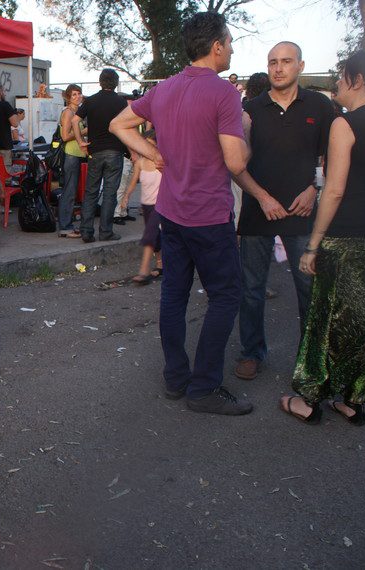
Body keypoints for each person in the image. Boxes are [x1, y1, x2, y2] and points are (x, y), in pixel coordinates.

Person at [110, 11, 253, 415]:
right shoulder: (225, 94)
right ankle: (204, 387)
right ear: (217, 46)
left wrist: (154, 154)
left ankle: (177, 378)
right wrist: (243, 131)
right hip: (208, 215)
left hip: (171, 214)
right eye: (230, 41)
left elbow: (120, 124)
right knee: (226, 296)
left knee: (174, 295)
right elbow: (236, 163)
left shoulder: (165, 89)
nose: (232, 48)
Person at [281, 49, 365, 425]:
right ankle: (354, 400)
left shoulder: (345, 124)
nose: (337, 83)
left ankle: (309, 398)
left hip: (345, 239)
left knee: (324, 321)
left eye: (342, 76)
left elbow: (334, 190)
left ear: (357, 79)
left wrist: (313, 244)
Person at [233, 42, 334, 381]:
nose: (278, 68)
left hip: (301, 212)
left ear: (300, 66)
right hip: (258, 212)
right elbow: (236, 165)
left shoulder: (320, 106)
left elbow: (330, 158)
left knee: (309, 290)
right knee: (250, 289)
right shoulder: (250, 110)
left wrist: (314, 189)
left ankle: (310, 358)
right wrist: (262, 197)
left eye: (286, 62)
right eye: (272, 62)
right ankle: (251, 352)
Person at [73, 69, 127, 243]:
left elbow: (75, 120)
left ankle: (86, 232)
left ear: (100, 82)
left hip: (94, 151)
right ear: (116, 83)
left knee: (91, 192)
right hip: (115, 151)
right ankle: (106, 232)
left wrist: (81, 141)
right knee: (110, 193)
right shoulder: (121, 102)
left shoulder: (91, 101)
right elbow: (128, 126)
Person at [120, 130, 163, 284]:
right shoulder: (140, 162)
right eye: (145, 145)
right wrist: (126, 197)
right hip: (146, 205)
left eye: (150, 146)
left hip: (160, 205)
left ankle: (144, 271)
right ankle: (161, 264)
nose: (146, 149)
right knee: (156, 238)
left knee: (149, 235)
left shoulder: (161, 161)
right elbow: (133, 182)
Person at [58, 83, 86, 238]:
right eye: (74, 94)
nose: (77, 97)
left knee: (73, 190)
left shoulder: (77, 111)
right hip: (70, 154)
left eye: (79, 94)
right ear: (68, 97)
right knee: (69, 190)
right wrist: (83, 131)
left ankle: (67, 224)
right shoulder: (68, 112)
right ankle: (65, 227)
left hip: (78, 154)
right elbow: (65, 136)